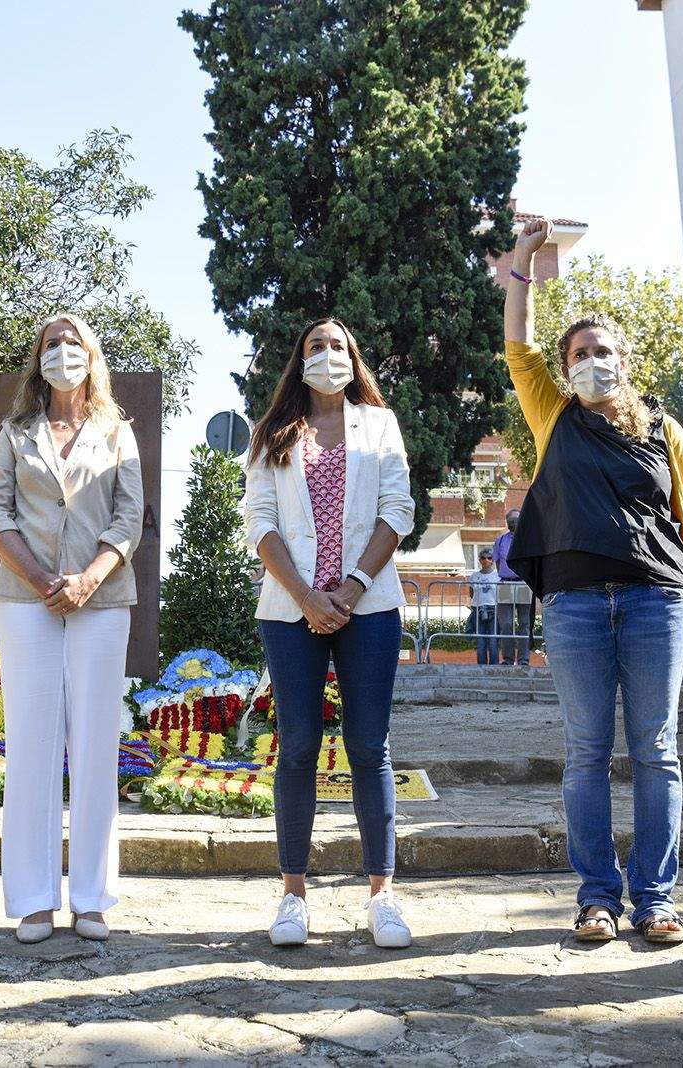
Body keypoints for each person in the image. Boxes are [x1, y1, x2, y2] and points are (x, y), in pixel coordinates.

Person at [503, 218, 683, 944]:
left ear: (628, 359)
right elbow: (518, 344)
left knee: (656, 749)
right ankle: (596, 896)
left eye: (605, 351)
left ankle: (655, 898)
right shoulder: (552, 414)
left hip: (657, 600)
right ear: (566, 368)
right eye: (581, 353)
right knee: (587, 749)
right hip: (576, 604)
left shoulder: (664, 428)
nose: (594, 360)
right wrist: (524, 261)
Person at [243, 317, 416, 950]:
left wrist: (349, 588)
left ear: (354, 357)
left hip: (367, 608)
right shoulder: (273, 433)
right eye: (314, 346)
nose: (326, 355)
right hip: (291, 612)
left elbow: (397, 510)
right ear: (299, 358)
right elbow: (260, 523)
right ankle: (293, 895)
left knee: (370, 746)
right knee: (296, 747)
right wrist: (307, 596)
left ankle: (382, 895)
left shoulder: (379, 424)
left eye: (336, 346)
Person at [0, 313, 143, 945]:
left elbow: (130, 513)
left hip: (101, 603)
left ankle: (93, 899)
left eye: (73, 342)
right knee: (32, 745)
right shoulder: (15, 432)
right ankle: (33, 899)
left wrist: (88, 578)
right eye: (51, 343)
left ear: (92, 355)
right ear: (37, 358)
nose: (63, 351)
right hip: (26, 602)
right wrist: (41, 576)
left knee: (97, 744)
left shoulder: (116, 431)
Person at [492, 508, 535, 666]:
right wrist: (506, 574)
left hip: (523, 584)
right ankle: (508, 659)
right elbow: (497, 562)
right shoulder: (500, 541)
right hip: (505, 583)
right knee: (506, 624)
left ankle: (523, 659)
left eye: (515, 520)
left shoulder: (528, 541)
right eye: (510, 521)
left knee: (524, 623)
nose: (513, 523)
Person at [469, 548, 500, 664]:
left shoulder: (498, 576)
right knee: (480, 639)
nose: (486, 560)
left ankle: (494, 666)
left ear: (493, 560)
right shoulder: (473, 576)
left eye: (489, 557)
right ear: (479, 560)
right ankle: (481, 666)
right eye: (483, 557)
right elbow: (471, 593)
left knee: (493, 639)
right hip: (478, 608)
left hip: (494, 608)